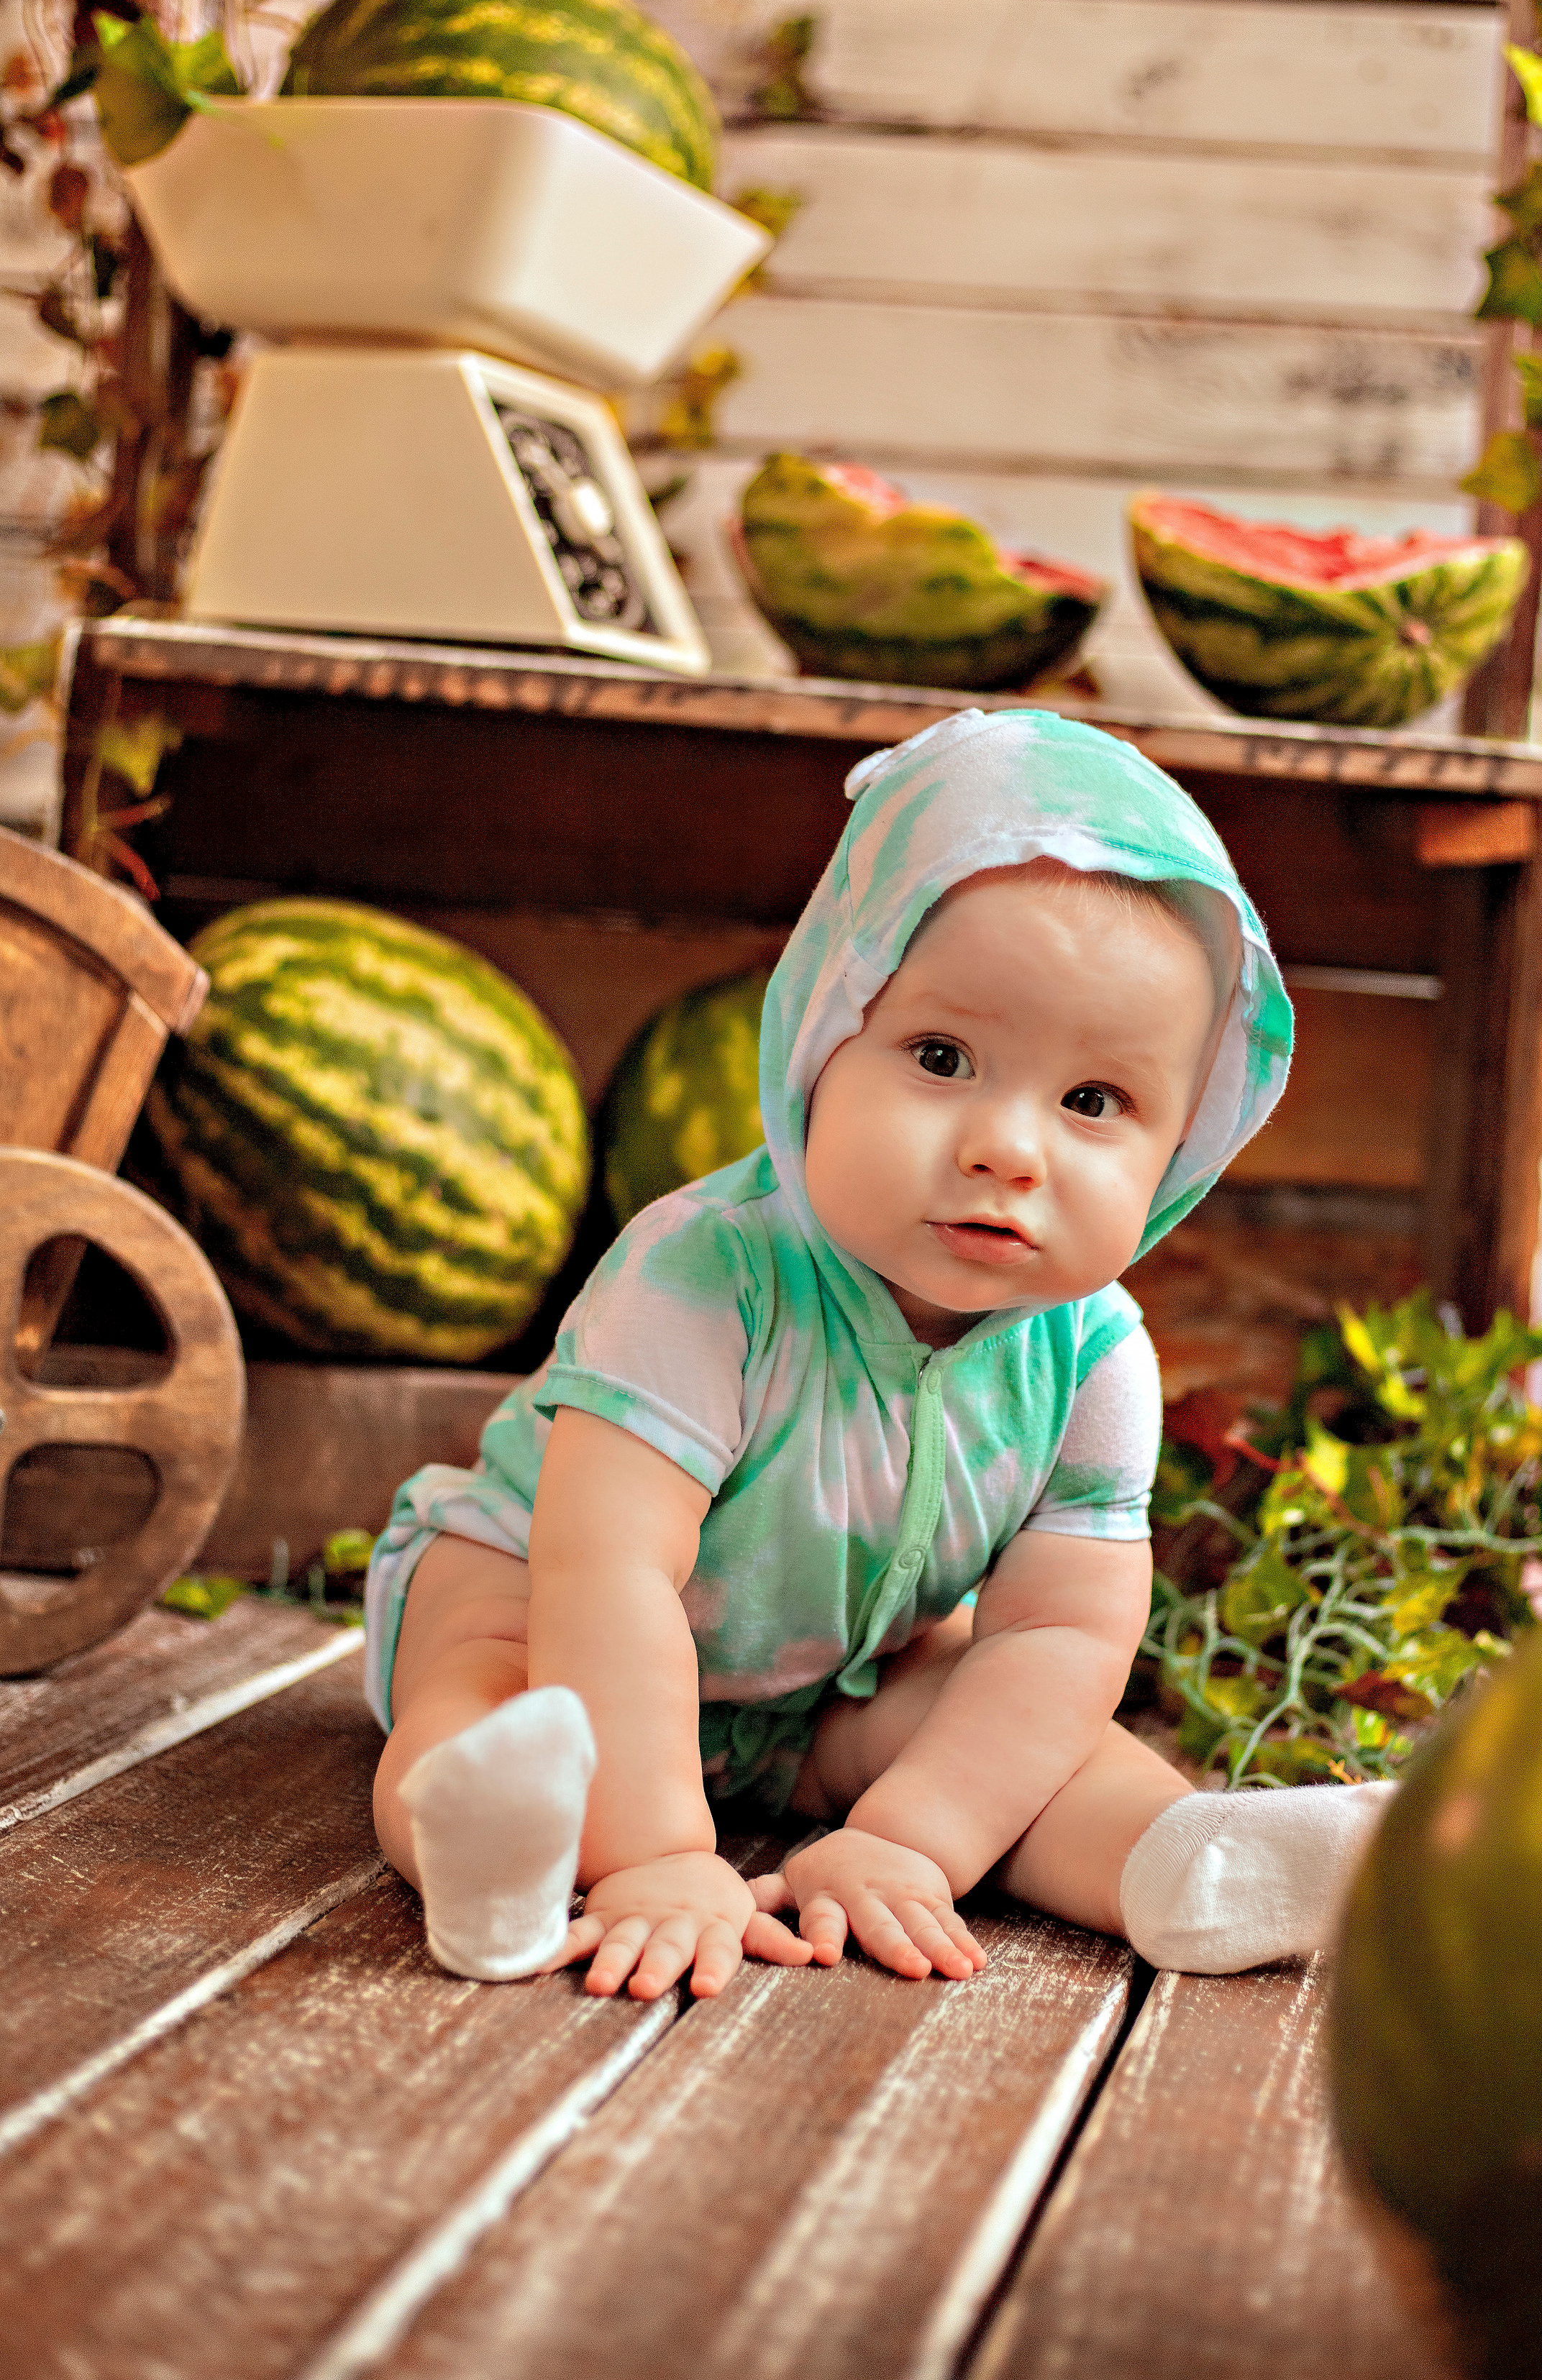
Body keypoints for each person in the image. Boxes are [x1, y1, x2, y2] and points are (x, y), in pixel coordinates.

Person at [363, 707, 1392, 1997]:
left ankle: (1191, 1862)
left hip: (835, 1680)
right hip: (544, 1603)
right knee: (495, 1704)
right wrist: (659, 1855)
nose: (1008, 1148)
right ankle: (486, 1865)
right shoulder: (702, 1275)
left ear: (1181, 1148)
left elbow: (1058, 1639)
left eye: (1093, 1103)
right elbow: (607, 1572)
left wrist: (913, 1839)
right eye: (942, 1057)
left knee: (1026, 1735)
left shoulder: (1093, 1359)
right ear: (821, 1033)